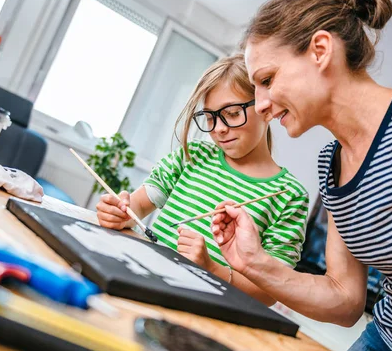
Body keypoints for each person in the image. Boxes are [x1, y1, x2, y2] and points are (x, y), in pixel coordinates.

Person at [210, 0, 392, 351]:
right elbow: (345, 299)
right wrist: (252, 260)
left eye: (267, 80)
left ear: (320, 50)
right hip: (388, 341)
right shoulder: (331, 164)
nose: (261, 104)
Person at [96, 54, 309, 305]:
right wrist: (119, 212)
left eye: (231, 113)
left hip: (206, 311)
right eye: (210, 117)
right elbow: (138, 205)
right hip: (142, 285)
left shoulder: (289, 195)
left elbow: (273, 290)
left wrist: (212, 267)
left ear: (264, 107)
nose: (218, 128)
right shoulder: (193, 155)